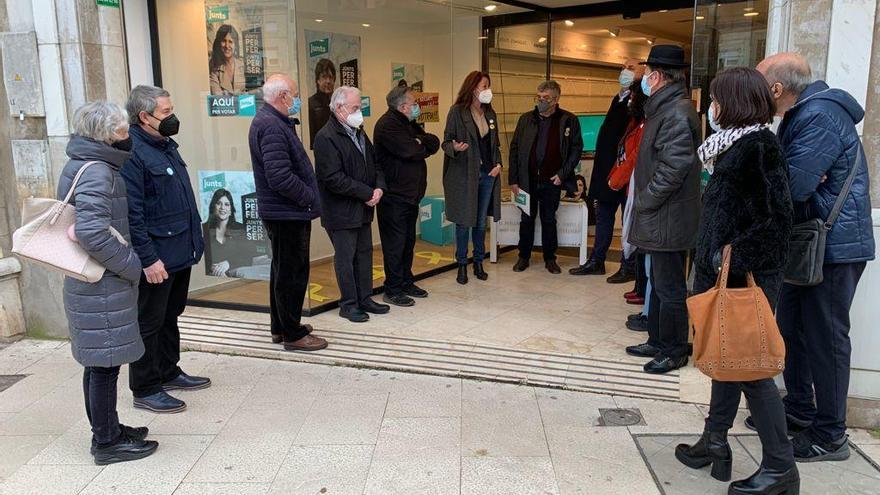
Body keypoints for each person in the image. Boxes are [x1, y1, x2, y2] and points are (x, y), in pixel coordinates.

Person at [676, 67, 799, 495]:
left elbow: (777, 220)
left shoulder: (759, 147)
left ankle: (781, 467)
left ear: (736, 103)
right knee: (725, 360)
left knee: (752, 372)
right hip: (723, 277)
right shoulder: (731, 146)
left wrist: (729, 254)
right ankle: (714, 441)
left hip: (745, 281)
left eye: (717, 99)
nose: (713, 107)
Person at [757, 52, 875, 461]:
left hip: (832, 248)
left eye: (759, 84)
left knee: (826, 339)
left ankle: (831, 434)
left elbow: (789, 190)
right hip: (812, 244)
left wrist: (778, 178)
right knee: (793, 329)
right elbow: (792, 183)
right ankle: (800, 410)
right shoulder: (803, 115)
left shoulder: (818, 116)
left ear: (776, 88)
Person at [60, 101, 158, 464]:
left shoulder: (87, 164)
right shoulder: (98, 171)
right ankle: (106, 442)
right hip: (100, 283)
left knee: (100, 364)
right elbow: (91, 231)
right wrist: (132, 265)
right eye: (121, 131)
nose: (127, 135)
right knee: (103, 367)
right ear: (105, 135)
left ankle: (110, 429)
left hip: (95, 282)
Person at [122, 85, 210, 414]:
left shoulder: (165, 145)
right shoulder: (134, 152)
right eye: (165, 112)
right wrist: (148, 258)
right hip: (157, 256)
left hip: (178, 250)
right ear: (144, 117)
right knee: (149, 320)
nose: (172, 117)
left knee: (170, 315)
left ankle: (169, 370)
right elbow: (134, 214)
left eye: (172, 109)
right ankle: (145, 387)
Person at [624, 45, 701, 375]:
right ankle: (657, 340)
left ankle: (674, 349)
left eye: (647, 75)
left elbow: (674, 167)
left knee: (670, 288)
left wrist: (645, 201)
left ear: (657, 77)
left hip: (667, 216)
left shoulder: (676, 113)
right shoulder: (664, 109)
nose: (644, 81)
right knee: (658, 281)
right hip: (660, 215)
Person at [249, 74, 326, 349]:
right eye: (293, 93)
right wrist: (309, 196)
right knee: (291, 273)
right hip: (287, 212)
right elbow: (279, 176)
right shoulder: (271, 125)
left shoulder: (275, 121)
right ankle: (293, 334)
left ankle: (281, 326)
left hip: (285, 211)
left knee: (283, 270)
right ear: (282, 96)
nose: (296, 99)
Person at [315, 86, 390, 322]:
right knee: (346, 258)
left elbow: (375, 163)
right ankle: (348, 304)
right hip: (341, 211)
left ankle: (365, 298)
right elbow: (333, 178)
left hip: (364, 207)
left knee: (364, 254)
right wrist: (366, 192)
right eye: (355, 108)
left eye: (360, 108)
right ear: (339, 108)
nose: (360, 112)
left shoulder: (359, 132)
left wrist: (379, 187)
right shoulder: (326, 137)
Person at [571, 58, 644, 282]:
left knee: (630, 220)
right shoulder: (619, 97)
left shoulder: (641, 101)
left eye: (631, 68)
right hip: (607, 170)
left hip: (626, 170)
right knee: (603, 216)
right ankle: (597, 260)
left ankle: (628, 265)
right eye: (623, 67)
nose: (625, 71)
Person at [374, 85, 440, 307]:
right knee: (395, 245)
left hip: (410, 196)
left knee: (408, 243)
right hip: (394, 197)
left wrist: (421, 142)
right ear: (402, 106)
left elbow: (432, 142)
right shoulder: (387, 125)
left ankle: (405, 282)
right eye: (414, 103)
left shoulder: (407, 123)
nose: (417, 107)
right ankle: (392, 289)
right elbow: (412, 151)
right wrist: (419, 144)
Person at [509, 80, 583, 274]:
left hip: (553, 181)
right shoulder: (526, 119)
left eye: (546, 98)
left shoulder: (568, 120)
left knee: (549, 219)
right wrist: (514, 180)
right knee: (526, 219)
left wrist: (562, 174)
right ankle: (523, 257)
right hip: (527, 180)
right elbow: (514, 149)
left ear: (556, 99)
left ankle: (550, 258)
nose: (541, 101)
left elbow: (576, 150)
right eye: (539, 97)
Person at [442, 71, 503, 285]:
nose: (487, 90)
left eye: (488, 86)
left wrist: (498, 165)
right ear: (473, 88)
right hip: (464, 175)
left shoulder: (490, 113)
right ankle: (461, 265)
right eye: (483, 86)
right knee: (463, 222)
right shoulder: (457, 112)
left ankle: (478, 262)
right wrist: (456, 148)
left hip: (488, 174)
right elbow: (446, 142)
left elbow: (495, 145)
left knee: (479, 222)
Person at [202, 188, 258, 278]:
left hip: (234, 278)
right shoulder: (204, 229)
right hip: (211, 276)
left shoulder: (240, 229)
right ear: (213, 206)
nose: (222, 208)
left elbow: (248, 256)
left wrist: (228, 263)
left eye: (227, 204)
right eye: (219, 203)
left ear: (231, 209)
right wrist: (214, 269)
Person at [209, 24, 246, 95]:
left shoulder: (242, 64)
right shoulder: (213, 66)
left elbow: (252, 91)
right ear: (218, 43)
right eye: (224, 41)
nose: (227, 46)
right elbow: (217, 95)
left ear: (235, 44)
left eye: (230, 42)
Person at [308, 58, 336, 148]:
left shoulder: (339, 102)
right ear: (318, 80)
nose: (328, 81)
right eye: (324, 77)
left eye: (330, 77)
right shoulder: (310, 103)